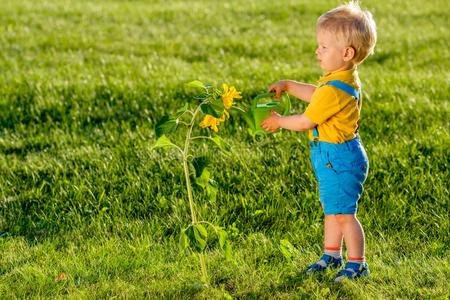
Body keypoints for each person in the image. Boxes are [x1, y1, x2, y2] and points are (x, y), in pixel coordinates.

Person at [261, 1, 377, 282]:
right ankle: (331, 255)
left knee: (344, 215)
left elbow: (305, 121)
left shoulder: (337, 88)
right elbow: (318, 93)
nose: (317, 51)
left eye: (324, 47)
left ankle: (357, 263)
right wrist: (289, 85)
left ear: (347, 53)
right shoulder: (340, 78)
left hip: (340, 159)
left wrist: (278, 121)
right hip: (334, 157)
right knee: (332, 211)